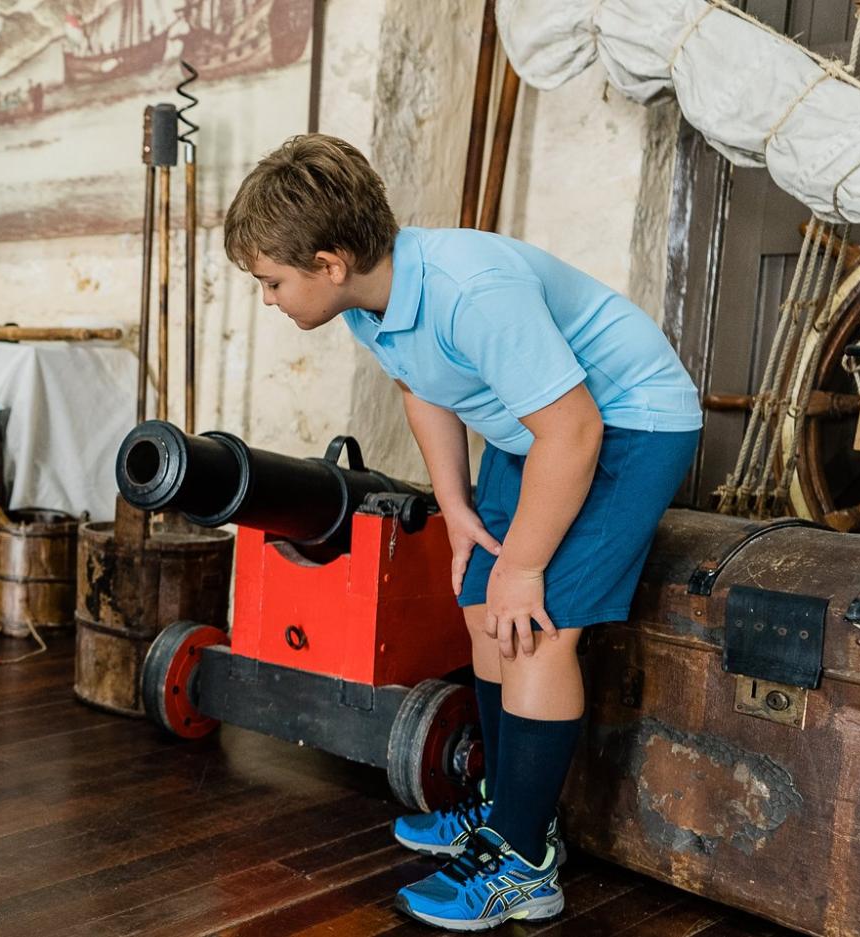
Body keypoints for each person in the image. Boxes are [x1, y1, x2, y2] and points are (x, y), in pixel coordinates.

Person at [222, 134, 701, 931]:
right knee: (481, 612)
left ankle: (525, 861)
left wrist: (525, 564)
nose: (268, 297)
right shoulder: (371, 302)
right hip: (534, 433)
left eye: (271, 281)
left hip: (622, 426)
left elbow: (576, 430)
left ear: (330, 262)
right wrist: (458, 514)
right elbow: (426, 390)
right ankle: (505, 807)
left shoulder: (468, 290)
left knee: (535, 627)